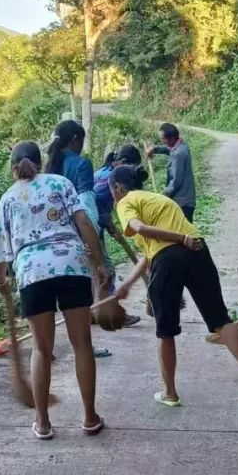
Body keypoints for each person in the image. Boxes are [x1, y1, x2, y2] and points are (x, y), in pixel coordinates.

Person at [107, 165, 238, 404]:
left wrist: (180, 239)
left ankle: (170, 393)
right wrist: (128, 284)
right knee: (220, 320)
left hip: (173, 255)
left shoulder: (125, 201)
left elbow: (141, 229)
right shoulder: (158, 198)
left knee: (166, 331)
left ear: (118, 188)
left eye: (112, 191)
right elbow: (150, 253)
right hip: (197, 252)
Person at [0, 141, 109, 439]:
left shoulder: (8, 198)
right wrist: (99, 263)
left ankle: (43, 423)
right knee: (81, 343)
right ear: (41, 162)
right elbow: (84, 222)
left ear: (13, 168)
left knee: (42, 349)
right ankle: (90, 418)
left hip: (32, 271)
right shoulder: (61, 183)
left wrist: (1, 281)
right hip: (70, 264)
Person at [47, 119, 140, 341]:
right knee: (104, 269)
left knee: (83, 278)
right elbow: (87, 205)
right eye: (81, 141)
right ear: (75, 139)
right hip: (83, 230)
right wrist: (94, 235)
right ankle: (107, 313)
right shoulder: (81, 164)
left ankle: (92, 314)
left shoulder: (52, 166)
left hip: (59, 233)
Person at [146, 123, 196, 222]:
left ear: (172, 138)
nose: (162, 141)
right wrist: (154, 149)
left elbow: (176, 181)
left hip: (182, 201)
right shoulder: (182, 146)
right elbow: (169, 149)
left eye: (163, 139)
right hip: (186, 199)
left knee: (185, 233)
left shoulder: (179, 154)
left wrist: (163, 194)